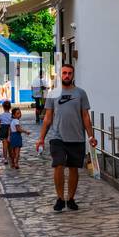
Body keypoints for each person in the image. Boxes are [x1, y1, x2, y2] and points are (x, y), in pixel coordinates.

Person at [34, 63, 96, 212]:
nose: (67, 76)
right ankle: (60, 198)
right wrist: (41, 138)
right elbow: (48, 118)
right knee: (58, 165)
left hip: (76, 137)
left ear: (73, 75)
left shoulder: (81, 93)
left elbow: (85, 116)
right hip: (58, 137)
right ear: (60, 75)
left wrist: (91, 136)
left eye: (69, 73)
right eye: (64, 73)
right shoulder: (53, 94)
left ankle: (71, 198)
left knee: (74, 169)